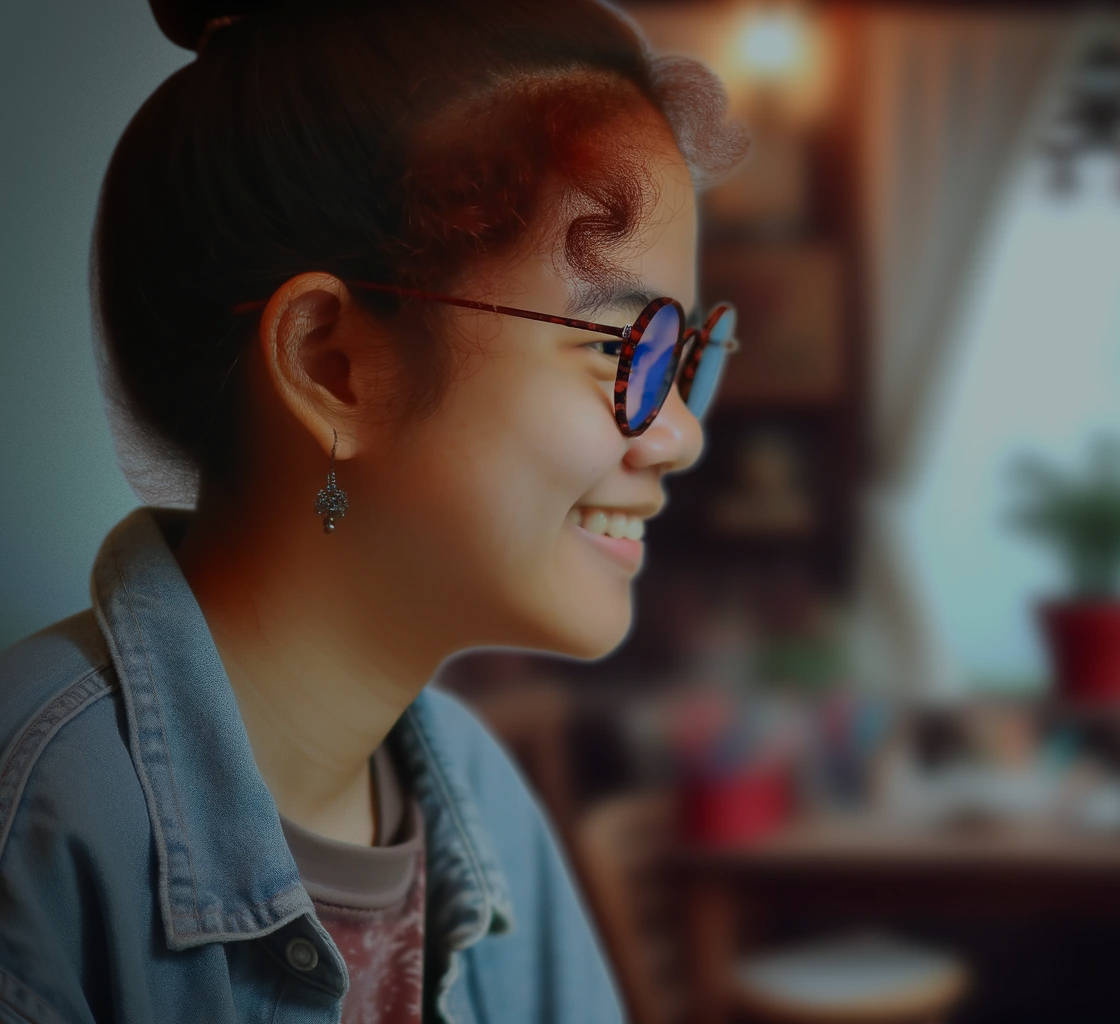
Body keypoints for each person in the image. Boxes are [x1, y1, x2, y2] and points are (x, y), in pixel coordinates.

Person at [0, 0, 746, 1021]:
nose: (680, 434)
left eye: (686, 359)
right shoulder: (41, 827)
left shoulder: (483, 804)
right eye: (626, 348)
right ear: (330, 365)